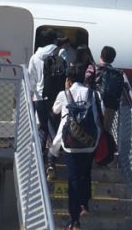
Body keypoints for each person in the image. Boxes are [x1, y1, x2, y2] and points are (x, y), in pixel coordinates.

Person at [51, 64, 101, 230]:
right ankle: (84, 205)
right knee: (85, 174)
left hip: (70, 145)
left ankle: (74, 221)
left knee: (73, 180)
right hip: (88, 144)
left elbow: (55, 110)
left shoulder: (63, 94)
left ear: (68, 79)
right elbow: (97, 118)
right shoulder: (92, 94)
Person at [26, 28, 59, 150]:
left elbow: (31, 80)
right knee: (55, 127)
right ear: (54, 40)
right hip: (56, 97)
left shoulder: (35, 57)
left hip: (40, 97)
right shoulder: (59, 53)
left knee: (43, 127)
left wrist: (33, 95)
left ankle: (40, 155)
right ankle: (53, 157)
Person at [95, 46, 124, 134]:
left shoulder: (97, 69)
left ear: (101, 56)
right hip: (112, 104)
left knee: (96, 126)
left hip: (98, 101)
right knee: (107, 128)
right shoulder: (118, 73)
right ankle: (106, 145)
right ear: (113, 59)